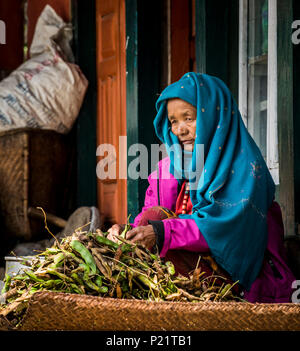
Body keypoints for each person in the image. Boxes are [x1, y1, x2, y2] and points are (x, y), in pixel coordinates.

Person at [108, 72, 296, 303]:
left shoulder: (244, 168)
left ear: (215, 118)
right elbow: (151, 222)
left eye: (189, 118)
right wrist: (125, 233)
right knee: (152, 216)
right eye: (173, 121)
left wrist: (161, 232)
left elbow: (223, 229)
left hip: (238, 278)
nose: (180, 129)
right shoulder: (169, 168)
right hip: (187, 272)